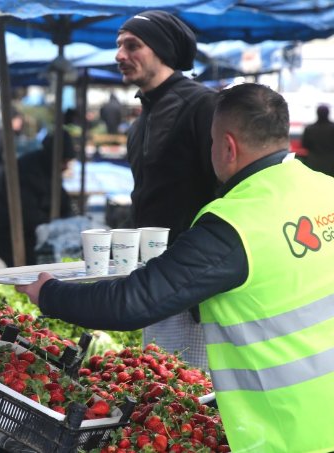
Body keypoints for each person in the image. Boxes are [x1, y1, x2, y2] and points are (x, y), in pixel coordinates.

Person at [17, 83, 334, 453]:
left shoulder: (234, 223)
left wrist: (50, 293)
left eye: (211, 141)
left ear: (227, 146)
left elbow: (133, 301)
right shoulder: (321, 186)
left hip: (323, 432)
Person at [116, 10, 218, 370]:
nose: (119, 56)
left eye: (132, 45)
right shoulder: (142, 118)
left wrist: (203, 273)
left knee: (195, 394)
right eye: (118, 46)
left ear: (161, 50)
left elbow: (225, 192)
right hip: (154, 278)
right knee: (167, 386)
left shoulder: (202, 106)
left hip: (195, 285)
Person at [0, 133, 75, 266]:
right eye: (63, 161)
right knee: (27, 267)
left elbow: (62, 200)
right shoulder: (28, 170)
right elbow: (28, 213)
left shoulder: (48, 168)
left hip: (24, 227)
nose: (65, 166)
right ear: (53, 157)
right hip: (0, 227)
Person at [300, 104, 334, 185]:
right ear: (328, 113)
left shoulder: (309, 129)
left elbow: (304, 145)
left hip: (314, 163)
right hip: (333, 164)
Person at [0, 109, 26, 180]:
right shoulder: (0, 134)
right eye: (18, 120)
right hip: (2, 173)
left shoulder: (16, 135)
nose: (21, 122)